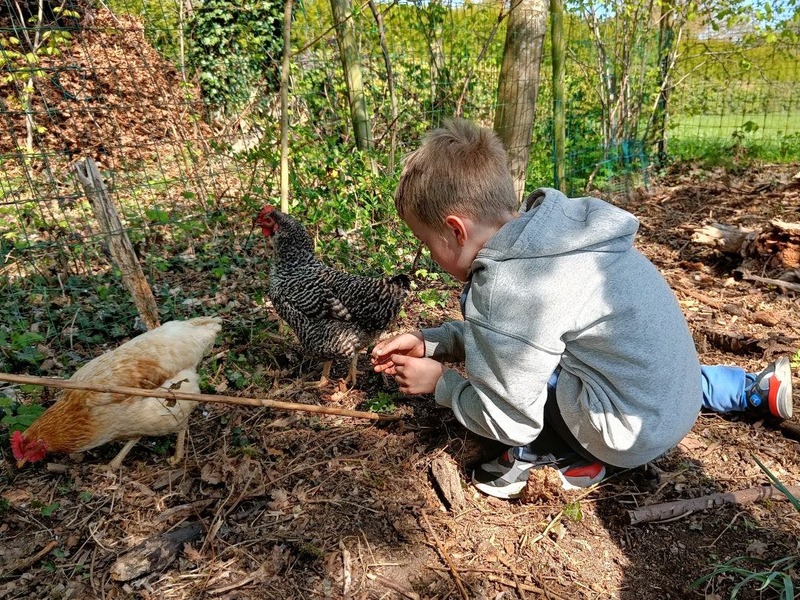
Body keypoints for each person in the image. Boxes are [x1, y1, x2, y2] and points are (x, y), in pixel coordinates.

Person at [371, 118, 794, 500]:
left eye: (428, 245)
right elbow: (513, 337)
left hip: (625, 435)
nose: (431, 258)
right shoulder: (566, 233)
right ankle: (746, 390)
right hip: (673, 394)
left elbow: (509, 417)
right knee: (595, 354)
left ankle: (557, 458)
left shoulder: (511, 285)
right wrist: (433, 343)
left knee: (528, 389)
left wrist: (441, 383)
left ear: (455, 230)